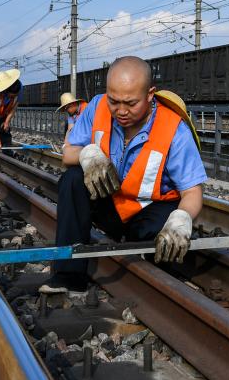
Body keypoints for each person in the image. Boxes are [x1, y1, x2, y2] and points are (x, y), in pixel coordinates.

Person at [40, 56, 207, 294]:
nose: (121, 111)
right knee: (72, 179)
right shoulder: (97, 108)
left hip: (148, 213)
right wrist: (87, 154)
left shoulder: (174, 129)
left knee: (168, 228)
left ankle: (157, 267)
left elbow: (192, 191)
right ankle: (68, 275)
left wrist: (181, 219)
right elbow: (68, 154)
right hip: (109, 203)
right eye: (114, 101)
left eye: (130, 103)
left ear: (150, 94)